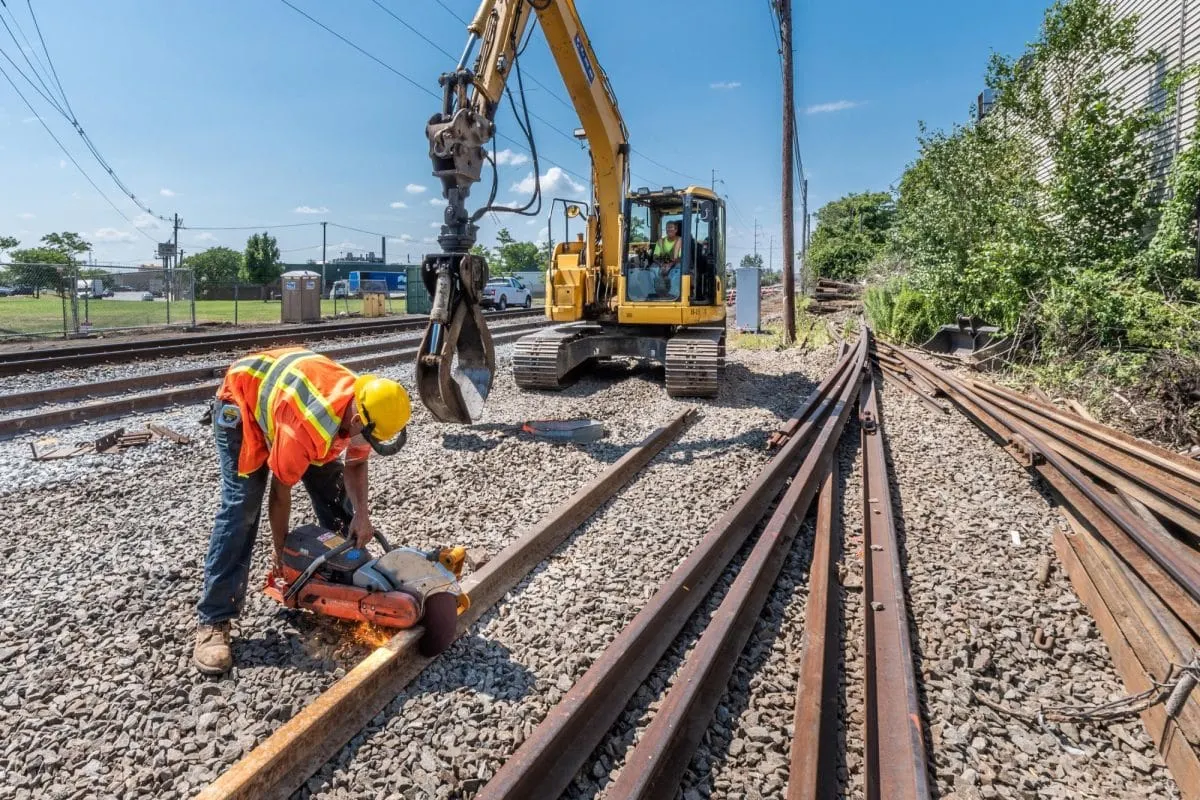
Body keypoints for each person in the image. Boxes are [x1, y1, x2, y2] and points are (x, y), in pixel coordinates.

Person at [193, 346, 411, 675]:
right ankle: (214, 618)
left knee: (333, 490)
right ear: (356, 421)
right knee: (243, 505)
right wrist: (281, 553)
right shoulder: (305, 429)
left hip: (291, 406)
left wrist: (362, 515)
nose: (365, 443)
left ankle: (344, 583)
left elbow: (356, 464)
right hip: (241, 401)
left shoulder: (368, 404)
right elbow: (280, 494)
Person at [652, 221, 683, 299]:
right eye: (667, 228)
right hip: (662, 264)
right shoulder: (660, 241)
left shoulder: (680, 241)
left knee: (678, 270)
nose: (669, 230)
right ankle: (656, 292)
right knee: (653, 268)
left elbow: (680, 258)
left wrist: (669, 265)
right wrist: (662, 265)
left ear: (676, 230)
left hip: (675, 264)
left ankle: (674, 294)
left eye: (671, 227)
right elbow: (655, 256)